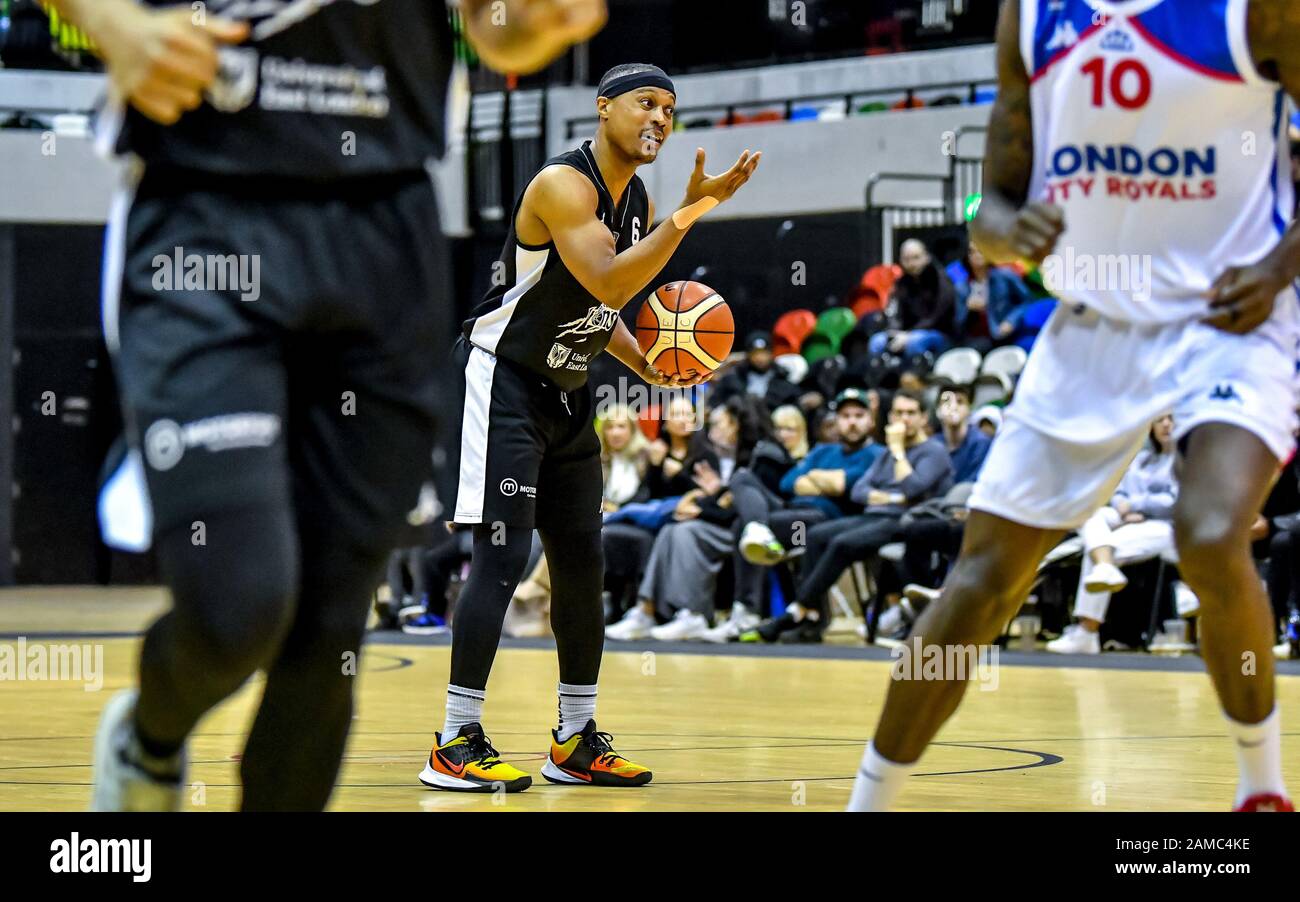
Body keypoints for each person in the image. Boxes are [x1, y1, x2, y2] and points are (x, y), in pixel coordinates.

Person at [66, 0, 605, 812]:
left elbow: (493, 29)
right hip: (204, 210)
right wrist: (106, 22)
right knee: (237, 607)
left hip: (384, 226)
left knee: (328, 632)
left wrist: (531, 24)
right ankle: (149, 738)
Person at [852, 0, 1300, 813]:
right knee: (981, 583)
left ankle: (1262, 787)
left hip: (1227, 317)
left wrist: (1277, 269)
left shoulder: (1254, 12)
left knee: (1206, 533)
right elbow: (989, 211)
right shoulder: (1029, 17)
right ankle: (869, 803)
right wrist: (1009, 231)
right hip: (1089, 330)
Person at [430, 62, 760, 792]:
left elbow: (598, 304)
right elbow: (610, 279)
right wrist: (689, 215)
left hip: (569, 391)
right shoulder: (562, 185)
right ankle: (455, 741)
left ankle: (574, 739)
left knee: (582, 563)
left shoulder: (633, 196)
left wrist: (644, 362)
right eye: (647, 103)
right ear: (604, 108)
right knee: (502, 555)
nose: (660, 120)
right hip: (505, 378)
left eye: (671, 111)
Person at [757, 390, 952, 643]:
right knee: (812, 538)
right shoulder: (837, 452)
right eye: (899, 413)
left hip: (903, 520)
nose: (904, 419)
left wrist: (897, 455)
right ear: (890, 417)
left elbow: (910, 487)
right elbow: (858, 490)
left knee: (839, 543)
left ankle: (798, 610)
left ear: (924, 418)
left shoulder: (928, 451)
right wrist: (889, 495)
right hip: (860, 516)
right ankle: (810, 616)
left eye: (911, 413)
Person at [1047, 416, 1190, 655]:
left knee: (1104, 545)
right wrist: (1123, 504)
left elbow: (1175, 502)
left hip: (1168, 527)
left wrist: (1136, 506)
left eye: (1171, 419)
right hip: (1129, 519)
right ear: (1151, 427)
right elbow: (1119, 490)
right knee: (1091, 514)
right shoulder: (1142, 459)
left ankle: (1087, 631)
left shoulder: (1188, 460)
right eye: (1159, 420)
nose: (1165, 425)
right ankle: (1105, 567)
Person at [868, 239, 958, 359]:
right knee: (877, 342)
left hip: (938, 333)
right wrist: (894, 332)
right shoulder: (901, 283)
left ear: (926, 257)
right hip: (906, 333)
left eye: (916, 257)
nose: (912, 263)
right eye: (907, 259)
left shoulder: (941, 280)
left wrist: (908, 335)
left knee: (915, 342)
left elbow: (936, 317)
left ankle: (913, 376)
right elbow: (896, 314)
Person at [708, 331, 803, 411]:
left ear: (771, 354)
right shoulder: (733, 379)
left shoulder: (783, 380)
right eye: (755, 353)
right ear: (748, 355)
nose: (760, 358)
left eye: (764, 353)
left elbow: (795, 408)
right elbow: (714, 403)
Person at [935, 384, 991, 485]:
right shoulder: (932, 443)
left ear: (969, 409)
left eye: (960, 402)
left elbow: (974, 483)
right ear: (938, 410)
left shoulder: (981, 443)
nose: (953, 407)